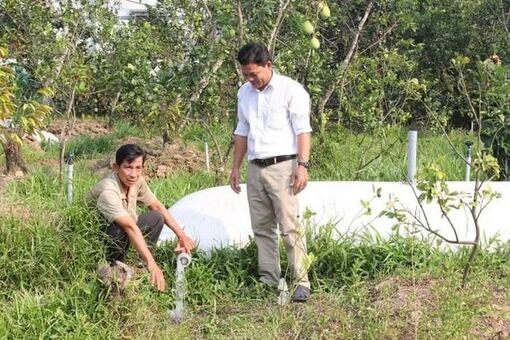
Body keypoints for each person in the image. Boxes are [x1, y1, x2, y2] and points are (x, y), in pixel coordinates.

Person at [229, 42, 312, 302]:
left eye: (254, 73)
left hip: (283, 166)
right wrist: (235, 168)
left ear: (268, 65)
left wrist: (303, 165)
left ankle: (302, 281)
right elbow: (242, 131)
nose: (250, 79)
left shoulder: (291, 90)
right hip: (255, 167)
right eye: (246, 75)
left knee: (290, 227)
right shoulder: (245, 93)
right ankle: (268, 279)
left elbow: (303, 130)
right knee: (262, 227)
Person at [88, 143, 195, 291]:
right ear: (116, 167)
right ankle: (115, 267)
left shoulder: (136, 182)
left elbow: (157, 206)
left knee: (156, 217)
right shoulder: (108, 191)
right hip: (98, 238)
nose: (133, 174)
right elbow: (129, 227)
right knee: (119, 229)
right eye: (128, 167)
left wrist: (181, 236)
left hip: (126, 226)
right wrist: (153, 265)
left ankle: (140, 266)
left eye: (138, 168)